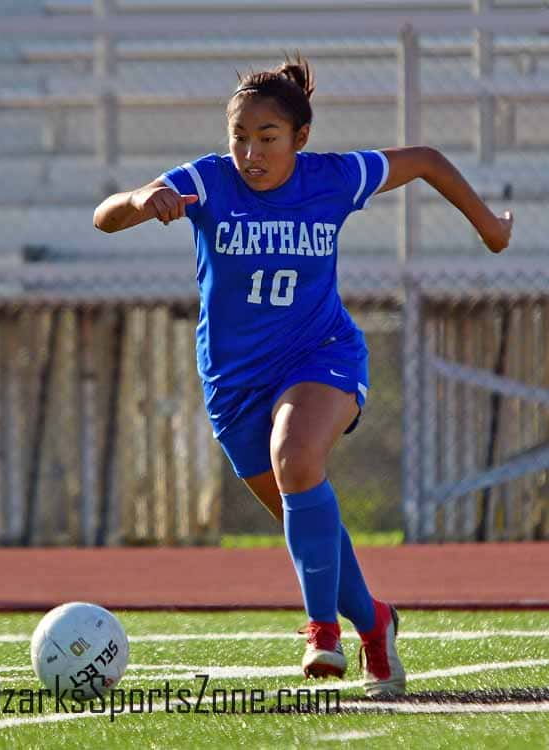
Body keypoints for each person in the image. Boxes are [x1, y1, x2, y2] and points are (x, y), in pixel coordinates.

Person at [93, 56, 513, 696]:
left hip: (322, 354)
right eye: (240, 138)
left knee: (295, 458)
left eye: (267, 138)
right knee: (310, 516)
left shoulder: (334, 178)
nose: (251, 153)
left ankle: (323, 633)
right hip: (234, 385)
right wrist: (140, 199)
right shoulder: (204, 182)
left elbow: (426, 158)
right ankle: (376, 624)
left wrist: (488, 227)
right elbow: (105, 216)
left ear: (300, 139)